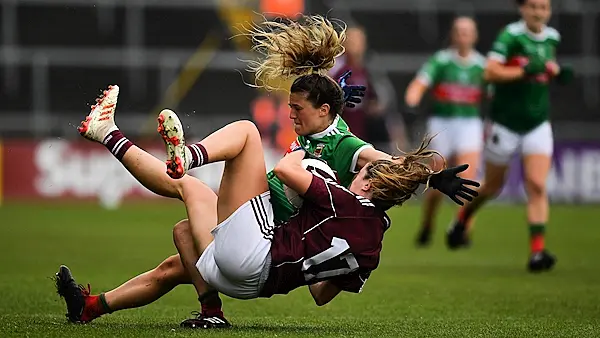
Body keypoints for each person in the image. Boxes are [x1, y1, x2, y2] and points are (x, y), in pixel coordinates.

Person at [55, 15, 479, 328]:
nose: (291, 115)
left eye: (298, 110)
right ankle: (95, 306)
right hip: (262, 247)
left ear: (325, 111)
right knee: (181, 240)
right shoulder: (357, 214)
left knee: (244, 135)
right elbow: (321, 292)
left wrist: (428, 176)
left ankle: (186, 153)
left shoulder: (346, 150)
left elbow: (379, 161)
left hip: (263, 231)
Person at [446, 0, 573, 271]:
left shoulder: (552, 37)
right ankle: (463, 217)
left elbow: (545, 68)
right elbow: (490, 72)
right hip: (505, 124)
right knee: (492, 187)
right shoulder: (510, 36)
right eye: (533, 7)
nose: (539, 12)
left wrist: (557, 72)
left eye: (544, 7)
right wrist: (524, 71)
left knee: (537, 184)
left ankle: (537, 252)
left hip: (537, 123)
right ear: (522, 9)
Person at [404, 17, 486, 247]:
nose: (463, 36)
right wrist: (412, 102)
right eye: (459, 31)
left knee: (469, 180)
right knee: (437, 180)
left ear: (475, 36)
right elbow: (419, 83)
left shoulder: (482, 65)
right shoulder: (441, 61)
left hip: (469, 123)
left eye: (467, 32)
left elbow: (494, 94)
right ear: (453, 35)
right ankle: (428, 224)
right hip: (442, 123)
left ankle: (461, 229)